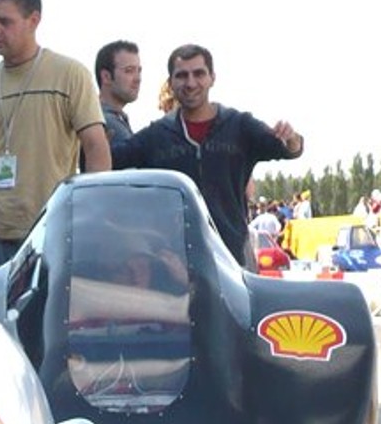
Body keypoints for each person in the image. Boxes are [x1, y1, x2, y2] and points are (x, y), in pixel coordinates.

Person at [0, 0, 109, 272]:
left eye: (4, 21)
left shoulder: (69, 74)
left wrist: (92, 228)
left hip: (45, 231)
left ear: (33, 20)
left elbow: (97, 149)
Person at [111, 44, 304, 263]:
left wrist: (292, 139)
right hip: (176, 264)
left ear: (212, 77)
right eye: (182, 76)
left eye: (199, 74)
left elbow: (290, 149)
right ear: (171, 83)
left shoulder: (239, 126)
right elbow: (108, 162)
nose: (191, 83)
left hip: (233, 260)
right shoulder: (156, 136)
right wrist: (90, 123)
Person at [95, 40, 142, 141]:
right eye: (129, 71)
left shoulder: (113, 119)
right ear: (106, 77)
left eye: (139, 71)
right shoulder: (106, 122)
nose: (138, 79)